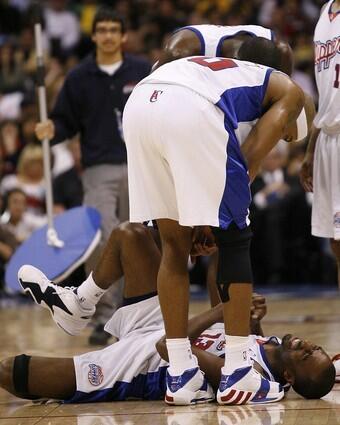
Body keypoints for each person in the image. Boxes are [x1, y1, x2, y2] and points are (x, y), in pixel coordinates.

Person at [122, 37, 308, 406]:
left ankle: (181, 374)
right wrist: (217, 221)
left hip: (140, 104)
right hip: (189, 109)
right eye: (285, 131)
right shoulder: (290, 91)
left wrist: (205, 214)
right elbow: (249, 161)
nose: (283, 136)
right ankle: (239, 371)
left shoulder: (224, 74)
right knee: (236, 239)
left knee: (174, 246)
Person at [12, 223, 336, 402]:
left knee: (14, 369)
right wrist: (221, 244)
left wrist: (222, 312)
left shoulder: (257, 378)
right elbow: (217, 283)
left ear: (290, 378)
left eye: (307, 356)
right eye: (316, 348)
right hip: (159, 323)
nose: (309, 346)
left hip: (141, 365)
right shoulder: (269, 344)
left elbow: (170, 346)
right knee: (130, 235)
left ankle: (76, 310)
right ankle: (80, 303)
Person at [34, 7, 151, 345]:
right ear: (94, 35)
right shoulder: (79, 77)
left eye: (115, 29)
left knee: (142, 239)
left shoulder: (143, 70)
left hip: (141, 163)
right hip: (99, 167)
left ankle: (138, 316)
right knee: (101, 238)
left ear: (124, 36)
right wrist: (50, 129)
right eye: (103, 30)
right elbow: (63, 121)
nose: (109, 35)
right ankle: (103, 316)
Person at [300, 0, 340, 286]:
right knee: (337, 244)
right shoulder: (324, 16)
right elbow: (325, 95)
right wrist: (311, 149)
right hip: (328, 138)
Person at [155, 24, 294, 76]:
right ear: (234, 59)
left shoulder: (281, 51)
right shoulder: (182, 48)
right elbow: (150, 85)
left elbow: (287, 94)